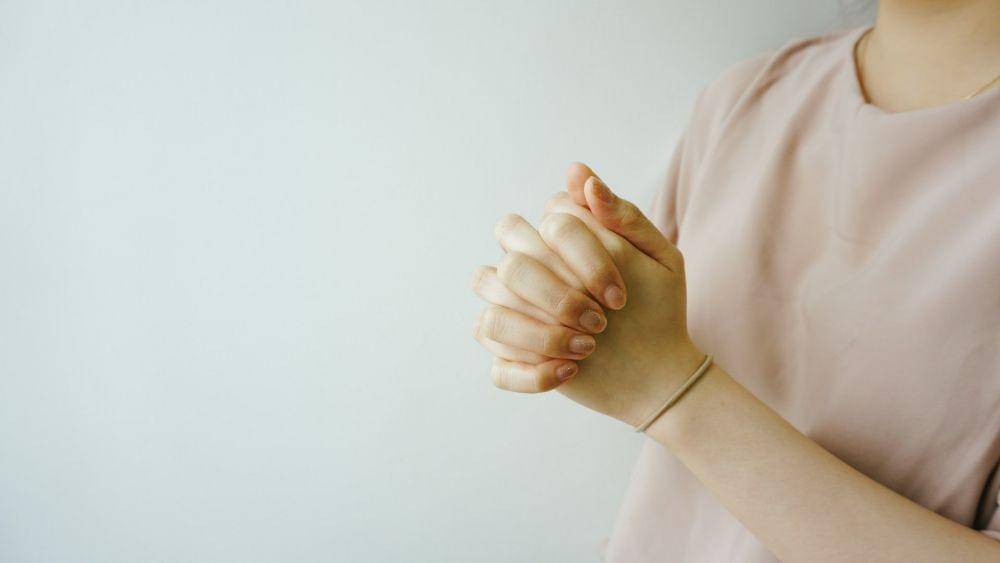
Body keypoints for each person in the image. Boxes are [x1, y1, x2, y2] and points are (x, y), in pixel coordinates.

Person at [469, 1, 1000, 561]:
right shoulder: (744, 100)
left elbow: (655, 375)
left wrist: (669, 390)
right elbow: (632, 350)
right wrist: (564, 312)